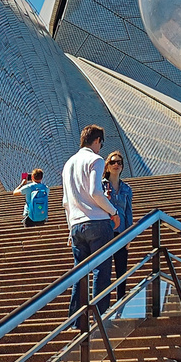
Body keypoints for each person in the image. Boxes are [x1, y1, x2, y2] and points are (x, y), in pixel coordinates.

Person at [62, 124, 121, 325]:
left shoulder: (68, 164)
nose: (100, 148)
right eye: (100, 144)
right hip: (97, 222)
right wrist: (114, 212)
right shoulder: (95, 160)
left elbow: (65, 202)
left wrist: (71, 227)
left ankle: (76, 321)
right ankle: (99, 318)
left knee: (80, 273)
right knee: (101, 271)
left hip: (76, 225)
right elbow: (96, 192)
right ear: (96, 141)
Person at [102, 151, 133, 285]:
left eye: (119, 162)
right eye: (112, 162)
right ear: (107, 166)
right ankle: (103, 303)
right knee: (104, 271)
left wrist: (129, 235)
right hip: (104, 232)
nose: (116, 165)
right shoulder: (100, 186)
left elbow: (128, 213)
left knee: (121, 271)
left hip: (121, 232)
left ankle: (121, 302)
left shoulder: (127, 189)